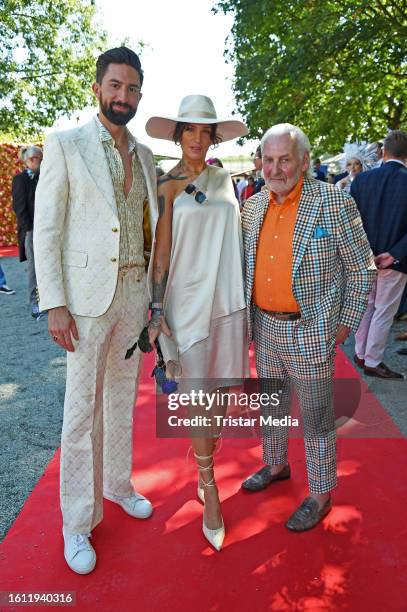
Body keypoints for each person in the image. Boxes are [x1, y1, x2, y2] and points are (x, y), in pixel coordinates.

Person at [33, 47, 158, 574]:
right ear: (97, 88)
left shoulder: (147, 156)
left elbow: (151, 229)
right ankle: (76, 523)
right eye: (114, 86)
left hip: (133, 294)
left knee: (121, 400)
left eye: (131, 88)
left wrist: (151, 299)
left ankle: (118, 485)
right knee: (80, 412)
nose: (122, 96)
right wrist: (55, 304)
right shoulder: (65, 144)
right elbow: (48, 229)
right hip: (84, 303)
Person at [241, 123, 375, 531]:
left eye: (285, 160)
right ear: (260, 161)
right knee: (273, 407)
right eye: (268, 159)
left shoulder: (332, 203)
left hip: (312, 330)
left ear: (304, 161)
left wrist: (344, 324)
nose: (275, 169)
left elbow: (362, 269)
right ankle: (276, 465)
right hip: (264, 326)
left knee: (316, 416)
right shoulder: (252, 207)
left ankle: (320, 493)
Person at [145, 94, 249, 551]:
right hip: (185, 308)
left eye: (205, 131)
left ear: (212, 138)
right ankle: (210, 488)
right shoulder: (165, 184)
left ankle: (205, 464)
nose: (196, 138)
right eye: (189, 129)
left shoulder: (225, 179)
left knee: (220, 396)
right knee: (198, 400)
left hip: (227, 303)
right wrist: (155, 309)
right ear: (178, 135)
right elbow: (161, 254)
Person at [351, 130, 407, 379]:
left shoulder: (362, 181)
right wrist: (394, 254)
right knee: (383, 310)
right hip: (395, 259)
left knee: (369, 307)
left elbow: (350, 222)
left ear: (383, 152)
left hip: (367, 257)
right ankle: (371, 359)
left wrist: (363, 252)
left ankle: (362, 354)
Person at [12, 145, 43, 318]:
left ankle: (47, 300)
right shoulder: (20, 180)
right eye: (41, 158)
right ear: (31, 160)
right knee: (34, 268)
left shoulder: (43, 177)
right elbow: (20, 208)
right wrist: (30, 231)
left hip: (46, 229)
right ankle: (34, 302)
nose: (43, 162)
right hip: (31, 231)